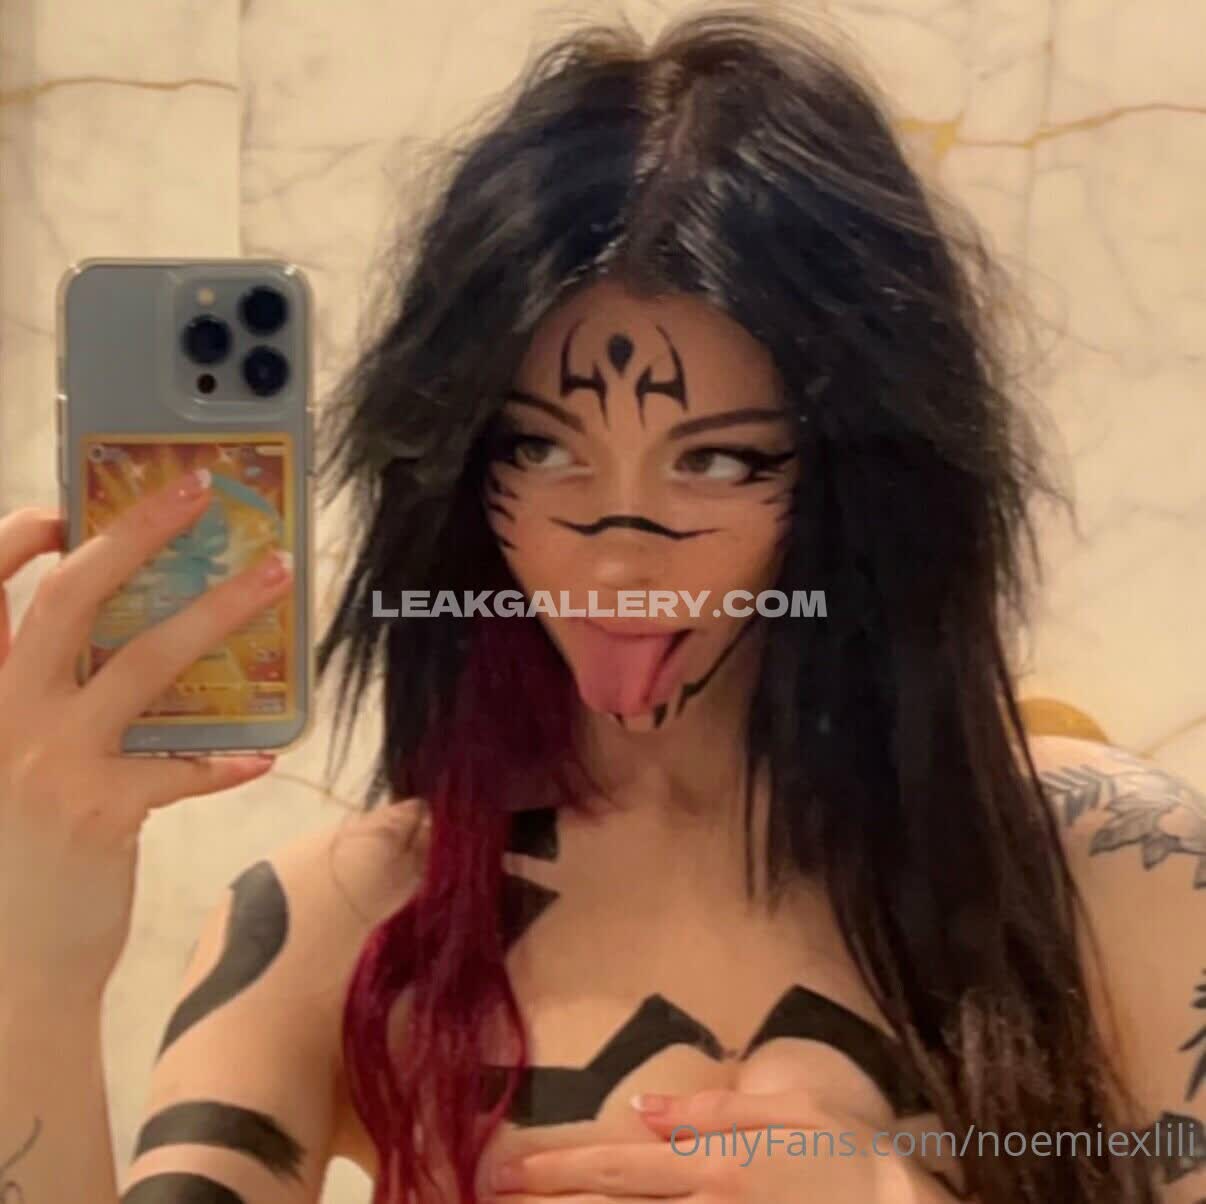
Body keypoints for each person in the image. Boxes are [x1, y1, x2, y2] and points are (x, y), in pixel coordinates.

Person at [1, 9, 1202, 1204]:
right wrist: (35, 946)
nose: (618, 559)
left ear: (863, 481)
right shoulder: (342, 925)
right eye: (543, 448)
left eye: (715, 460)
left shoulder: (1118, 871)